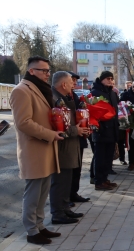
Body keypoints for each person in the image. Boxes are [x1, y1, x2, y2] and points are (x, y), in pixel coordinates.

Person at [10, 56, 65, 244]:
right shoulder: (21, 91)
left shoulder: (40, 89)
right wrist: (50, 134)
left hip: (46, 148)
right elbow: (23, 123)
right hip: (34, 149)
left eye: (48, 71)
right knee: (33, 193)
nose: (47, 74)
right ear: (31, 71)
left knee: (43, 192)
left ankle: (40, 225)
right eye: (43, 71)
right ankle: (32, 231)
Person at [50, 71, 87, 224]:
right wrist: (75, 130)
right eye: (71, 83)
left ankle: (65, 209)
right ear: (64, 84)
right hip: (62, 146)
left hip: (70, 145)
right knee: (60, 181)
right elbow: (56, 125)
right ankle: (58, 213)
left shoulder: (65, 97)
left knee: (67, 180)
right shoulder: (53, 99)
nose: (74, 85)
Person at [90, 71, 119, 190]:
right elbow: (92, 113)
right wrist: (99, 128)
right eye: (108, 78)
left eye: (112, 79)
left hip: (112, 130)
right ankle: (98, 181)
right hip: (101, 132)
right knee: (100, 158)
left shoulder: (112, 93)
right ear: (101, 79)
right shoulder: (95, 93)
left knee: (108, 158)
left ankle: (105, 179)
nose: (110, 81)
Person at [67, 72, 90, 204]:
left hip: (79, 136)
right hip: (70, 137)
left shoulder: (75, 96)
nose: (75, 83)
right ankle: (67, 196)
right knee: (68, 171)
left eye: (76, 81)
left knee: (77, 168)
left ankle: (74, 193)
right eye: (73, 80)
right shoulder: (61, 97)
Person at [120, 79, 134, 170]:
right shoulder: (125, 94)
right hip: (131, 124)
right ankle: (131, 162)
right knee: (131, 144)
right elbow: (120, 106)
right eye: (133, 87)